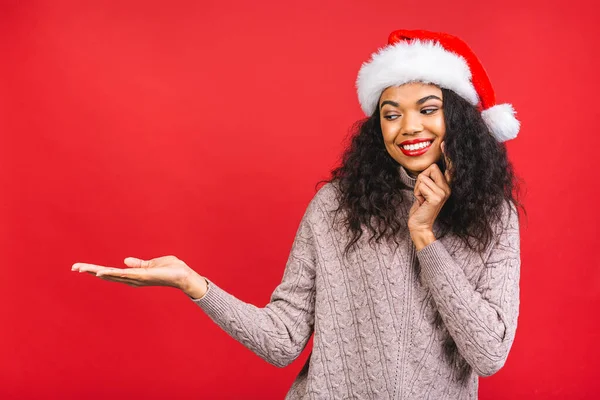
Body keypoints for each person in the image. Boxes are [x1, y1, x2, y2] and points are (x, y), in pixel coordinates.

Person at [72, 29, 523, 399]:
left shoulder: (494, 217)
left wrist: (425, 236)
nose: (408, 127)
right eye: (391, 114)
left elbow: (488, 355)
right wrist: (194, 284)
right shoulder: (336, 207)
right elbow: (282, 340)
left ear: (459, 120)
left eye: (428, 109)